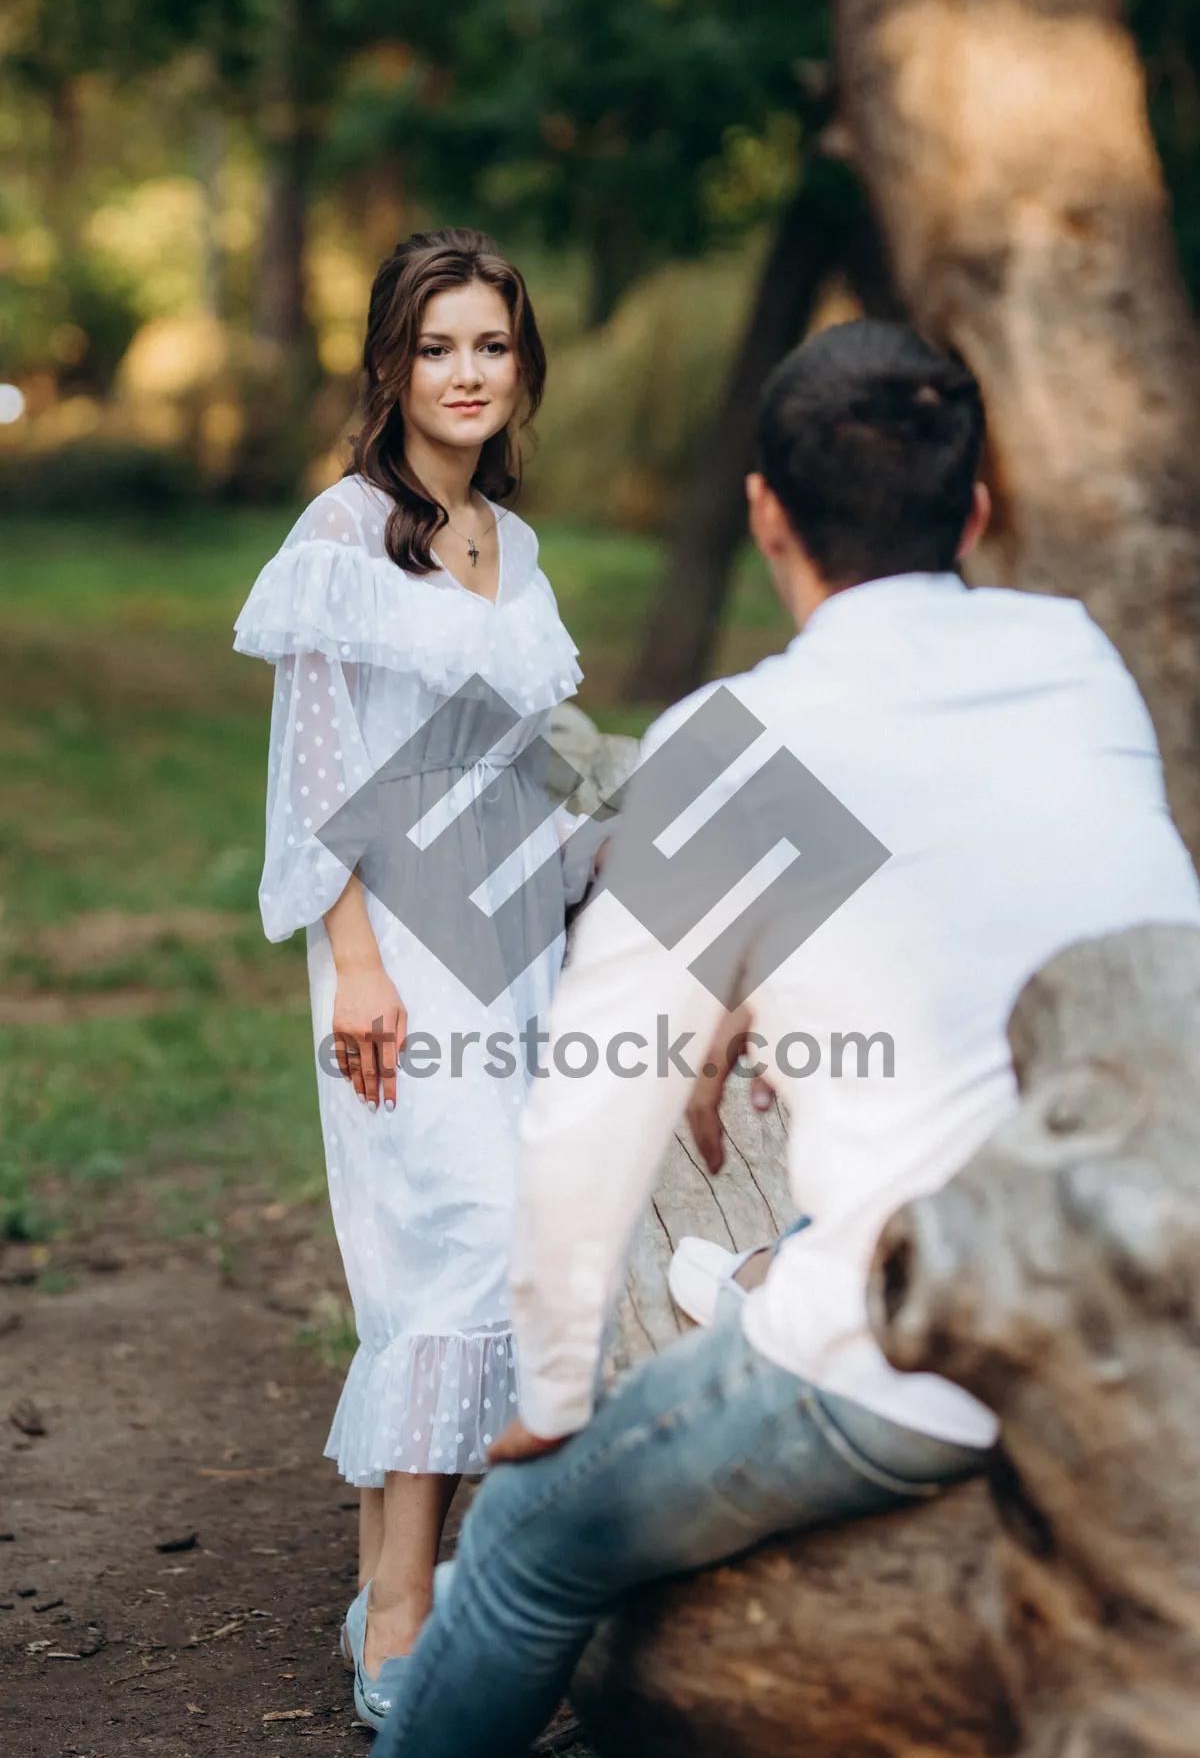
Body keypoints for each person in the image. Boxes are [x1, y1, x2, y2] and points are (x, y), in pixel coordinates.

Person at [371, 318, 1200, 1758]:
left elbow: (592, 1104)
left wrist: (555, 1390)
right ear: (979, 507)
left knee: (518, 1546)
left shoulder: (735, 736)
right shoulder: (1075, 657)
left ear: (766, 513)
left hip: (927, 1353)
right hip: (1158, 1273)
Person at [232, 228, 599, 1729]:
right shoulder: (343, 537)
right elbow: (318, 784)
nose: (466, 373)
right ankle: (397, 1618)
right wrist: (360, 970)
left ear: (522, 370)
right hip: (401, 962)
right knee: (443, 1254)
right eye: (439, 345)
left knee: (509, 1254)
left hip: (516, 947)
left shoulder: (514, 550)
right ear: (391, 365)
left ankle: (429, 1579)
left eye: (491, 346)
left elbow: (551, 760)